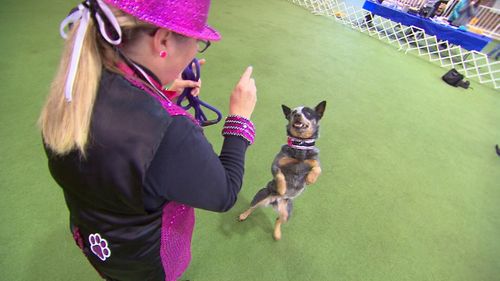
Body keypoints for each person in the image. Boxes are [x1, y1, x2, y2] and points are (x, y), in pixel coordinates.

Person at [38, 0, 257, 280]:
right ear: (163, 40)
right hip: (149, 262)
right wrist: (240, 118)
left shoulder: (74, 88)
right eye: (198, 42)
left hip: (97, 244)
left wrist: (152, 91)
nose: (194, 53)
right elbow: (224, 193)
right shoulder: (171, 131)